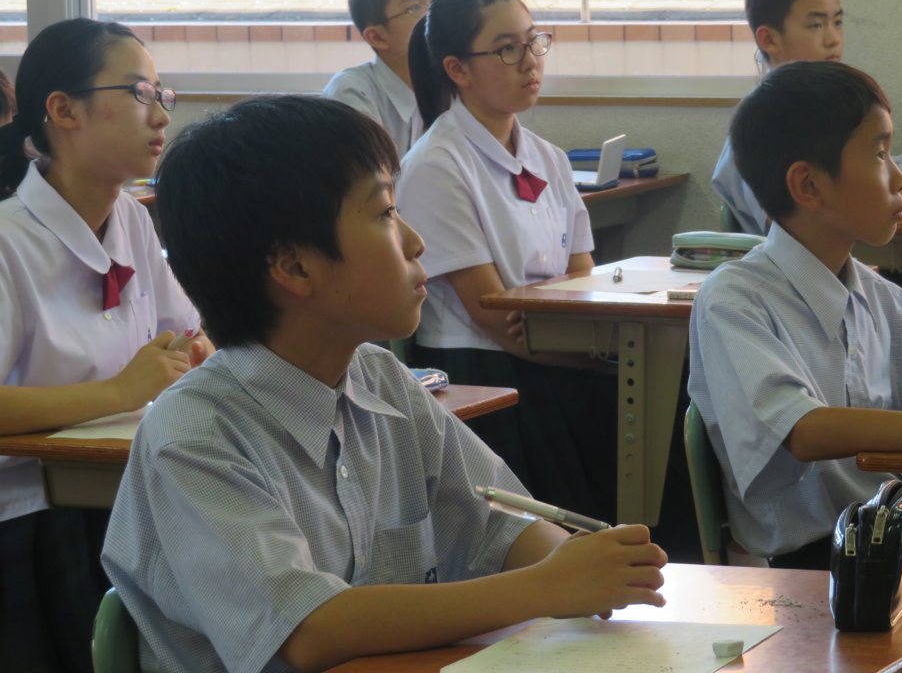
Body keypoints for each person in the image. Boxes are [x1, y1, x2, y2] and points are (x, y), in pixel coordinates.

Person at [101, 95, 667, 672]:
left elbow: (500, 526)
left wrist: (581, 567)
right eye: (386, 213)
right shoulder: (194, 437)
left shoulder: (381, 378)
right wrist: (546, 587)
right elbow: (308, 631)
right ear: (295, 267)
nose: (415, 242)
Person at [688, 60, 902, 569]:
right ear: (808, 185)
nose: (899, 178)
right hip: (829, 570)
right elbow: (805, 430)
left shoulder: (871, 290)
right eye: (880, 154)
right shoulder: (734, 299)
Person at [0, 18, 210, 672]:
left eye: (162, 95)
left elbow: (186, 333)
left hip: (123, 492)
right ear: (63, 110)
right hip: (26, 516)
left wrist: (196, 355)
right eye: (140, 93)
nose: (161, 114)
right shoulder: (9, 241)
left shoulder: (130, 220)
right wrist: (121, 391)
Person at [396, 0, 620, 523]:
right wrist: (609, 356)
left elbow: (583, 280)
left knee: (662, 413)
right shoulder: (437, 164)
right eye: (506, 49)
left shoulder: (549, 158)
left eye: (533, 41)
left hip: (557, 353)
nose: (529, 61)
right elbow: (496, 317)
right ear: (458, 69)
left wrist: (606, 349)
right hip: (486, 371)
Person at [712, 0, 902, 236]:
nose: (833, 39)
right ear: (769, 39)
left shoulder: (841, 113)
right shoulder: (757, 126)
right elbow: (788, 225)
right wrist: (891, 194)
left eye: (838, 22)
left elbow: (885, 172)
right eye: (816, 25)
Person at [322, 0, 437, 156]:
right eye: (415, 7)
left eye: (435, 2)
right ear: (377, 37)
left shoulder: (456, 81)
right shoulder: (352, 91)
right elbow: (369, 172)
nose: (433, 16)